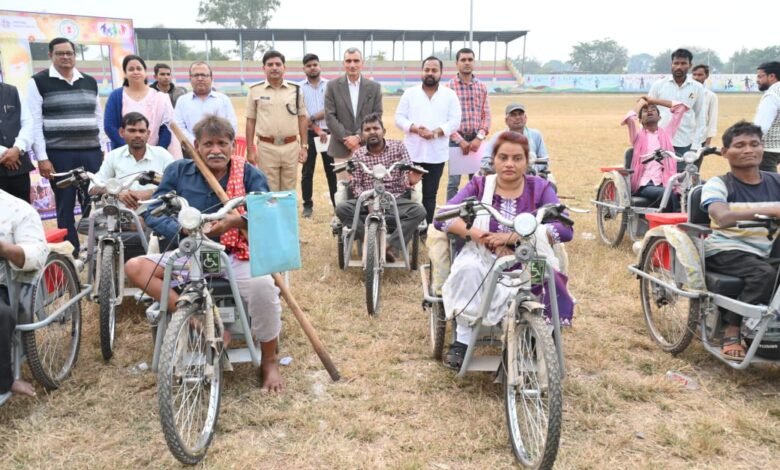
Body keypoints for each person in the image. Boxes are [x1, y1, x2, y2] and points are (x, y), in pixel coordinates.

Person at [124, 114, 284, 392]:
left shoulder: (248, 173)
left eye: (222, 143)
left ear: (232, 146)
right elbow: (153, 211)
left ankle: (269, 361)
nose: (215, 150)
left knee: (264, 288)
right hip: (190, 254)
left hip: (236, 254)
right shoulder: (177, 171)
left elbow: (268, 213)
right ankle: (201, 324)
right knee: (135, 267)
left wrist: (236, 221)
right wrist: (181, 229)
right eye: (208, 144)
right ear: (196, 146)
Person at [435, 131, 574, 370]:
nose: (510, 164)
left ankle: (538, 333)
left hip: (528, 255)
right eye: (503, 157)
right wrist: (482, 236)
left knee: (543, 274)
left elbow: (565, 228)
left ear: (527, 161)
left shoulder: (540, 188)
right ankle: (463, 340)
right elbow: (443, 218)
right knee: (467, 269)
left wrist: (514, 237)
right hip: (483, 254)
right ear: (494, 160)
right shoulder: (479, 185)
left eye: (517, 158)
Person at [700, 121, 780, 359]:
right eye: (740, 145)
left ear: (763, 148)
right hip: (726, 249)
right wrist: (772, 210)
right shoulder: (719, 184)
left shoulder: (776, 182)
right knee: (764, 274)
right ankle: (732, 328)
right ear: (725, 152)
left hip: (765, 248)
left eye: (755, 144)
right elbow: (722, 217)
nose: (748, 150)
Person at [27, 37, 109, 253]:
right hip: (59, 155)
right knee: (65, 204)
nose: (65, 57)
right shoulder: (38, 82)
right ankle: (70, 252)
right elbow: (35, 122)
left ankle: (96, 250)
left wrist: (101, 147)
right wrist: (42, 158)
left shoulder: (89, 81)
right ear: (50, 55)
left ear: (75, 55)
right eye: (60, 53)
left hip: (91, 153)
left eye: (69, 53)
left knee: (94, 201)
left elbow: (98, 117)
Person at [335, 113, 426, 261]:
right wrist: (367, 200)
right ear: (362, 135)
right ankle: (369, 241)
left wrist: (411, 181)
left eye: (375, 128)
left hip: (394, 199)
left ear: (383, 131)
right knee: (342, 209)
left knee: (419, 211)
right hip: (367, 201)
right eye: (367, 129)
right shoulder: (358, 154)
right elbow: (356, 184)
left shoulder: (398, 147)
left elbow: (406, 174)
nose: (372, 132)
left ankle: (390, 245)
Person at [394, 56, 461, 224]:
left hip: (436, 155)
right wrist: (415, 128)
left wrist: (435, 132)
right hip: (411, 153)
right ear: (422, 71)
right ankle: (407, 229)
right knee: (407, 193)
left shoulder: (449, 95)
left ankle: (426, 230)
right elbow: (399, 118)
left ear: (441, 73)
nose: (430, 73)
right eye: (427, 70)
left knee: (430, 195)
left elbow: (455, 122)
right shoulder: (410, 93)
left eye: (434, 70)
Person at [0, 189, 49, 397]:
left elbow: (36, 255)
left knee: (1, 314)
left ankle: (4, 381)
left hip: (3, 283)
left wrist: (5, 249)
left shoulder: (17, 209)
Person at [245, 50, 308, 192]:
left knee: (289, 189)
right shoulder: (255, 90)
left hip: (290, 147)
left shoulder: (295, 89)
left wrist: (304, 146)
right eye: (270, 64)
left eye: (278, 64)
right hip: (266, 148)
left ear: (284, 67)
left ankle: (286, 209)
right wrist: (250, 149)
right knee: (268, 189)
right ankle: (272, 209)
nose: (274, 67)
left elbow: (302, 118)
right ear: (264, 68)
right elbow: (250, 121)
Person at [90, 112, 174, 209]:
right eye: (132, 131)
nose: (138, 135)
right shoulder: (114, 156)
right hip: (124, 214)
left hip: (158, 213)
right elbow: (92, 188)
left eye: (142, 131)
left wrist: (150, 193)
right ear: (122, 132)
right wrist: (117, 192)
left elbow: (178, 183)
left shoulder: (162, 154)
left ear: (148, 134)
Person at [104, 55, 181, 158]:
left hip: (154, 156)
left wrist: (156, 151)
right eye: (131, 69)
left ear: (145, 72)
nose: (135, 72)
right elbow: (109, 126)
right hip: (124, 155)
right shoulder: (116, 96)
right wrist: (129, 149)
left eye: (139, 68)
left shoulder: (159, 97)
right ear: (125, 74)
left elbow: (166, 128)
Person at [324, 48, 383, 181]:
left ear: (362, 63)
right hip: (341, 149)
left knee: (369, 189)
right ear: (343, 63)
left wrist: (358, 137)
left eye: (356, 61)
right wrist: (348, 140)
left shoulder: (374, 87)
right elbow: (330, 117)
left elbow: (377, 115)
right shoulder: (332, 86)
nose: (352, 65)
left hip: (368, 147)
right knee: (344, 190)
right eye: (348, 61)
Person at [622, 97, 688, 212]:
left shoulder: (667, 134)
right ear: (640, 120)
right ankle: (673, 219)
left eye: (653, 109)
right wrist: (641, 103)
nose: (649, 111)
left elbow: (680, 108)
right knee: (666, 194)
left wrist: (653, 101)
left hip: (666, 182)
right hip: (645, 184)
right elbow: (630, 119)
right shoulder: (637, 137)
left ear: (659, 117)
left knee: (692, 191)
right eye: (645, 110)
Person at [648, 48, 706, 171]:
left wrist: (695, 146)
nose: (679, 67)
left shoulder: (697, 88)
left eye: (683, 63)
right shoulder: (659, 85)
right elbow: (648, 113)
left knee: (679, 179)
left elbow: (700, 117)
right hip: (659, 141)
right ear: (671, 64)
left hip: (684, 143)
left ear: (690, 65)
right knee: (657, 177)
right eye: (676, 63)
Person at [447, 47, 491, 200]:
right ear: (457, 63)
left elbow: (486, 115)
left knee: (477, 181)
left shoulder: (482, 87)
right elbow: (445, 119)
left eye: (470, 60)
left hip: (476, 141)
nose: (467, 63)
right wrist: (460, 141)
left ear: (474, 62)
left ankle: (478, 211)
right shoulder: (448, 88)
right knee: (453, 183)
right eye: (463, 60)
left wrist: (479, 138)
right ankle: (449, 212)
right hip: (455, 141)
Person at [299, 53, 336, 217]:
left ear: (319, 66)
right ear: (304, 69)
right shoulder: (299, 88)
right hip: (308, 134)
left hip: (329, 133)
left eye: (315, 64)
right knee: (307, 172)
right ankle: (307, 205)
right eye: (309, 66)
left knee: (332, 171)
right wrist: (316, 128)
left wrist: (313, 118)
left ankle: (337, 204)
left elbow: (331, 109)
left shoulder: (330, 86)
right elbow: (301, 115)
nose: (312, 68)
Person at [173, 61, 238, 154]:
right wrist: (198, 145)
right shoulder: (182, 101)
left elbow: (232, 126)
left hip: (219, 152)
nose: (200, 78)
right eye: (196, 75)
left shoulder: (223, 100)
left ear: (211, 78)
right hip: (191, 152)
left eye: (204, 75)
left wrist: (214, 144)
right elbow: (179, 127)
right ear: (190, 78)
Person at [481, 103, 551, 175]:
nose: (517, 117)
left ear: (525, 118)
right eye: (513, 115)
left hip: (531, 175)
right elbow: (485, 160)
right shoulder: (497, 137)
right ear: (506, 120)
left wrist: (531, 169)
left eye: (520, 114)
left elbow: (544, 159)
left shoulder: (536, 135)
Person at [0, 81, 34, 202]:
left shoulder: (13, 91)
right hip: (10, 159)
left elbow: (28, 122)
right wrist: (3, 153)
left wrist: (18, 148)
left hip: (18, 165)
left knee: (22, 208)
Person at [754, 61, 780, 172]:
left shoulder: (772, 95)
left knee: (767, 181)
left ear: (772, 76)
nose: (757, 80)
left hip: (767, 149)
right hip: (777, 148)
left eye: (760, 76)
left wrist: (749, 143)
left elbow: (761, 126)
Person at [692, 64, 719, 147]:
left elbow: (712, 119)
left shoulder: (711, 96)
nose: (696, 77)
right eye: (694, 74)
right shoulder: (686, 93)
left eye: (700, 75)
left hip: (701, 138)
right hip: (684, 137)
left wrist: (708, 140)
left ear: (706, 76)